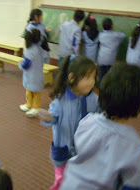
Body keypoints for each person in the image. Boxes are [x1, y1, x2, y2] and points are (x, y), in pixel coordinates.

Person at [60, 64, 140, 190]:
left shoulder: (88, 121)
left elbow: (78, 147)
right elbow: (133, 185)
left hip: (69, 184)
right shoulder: (133, 145)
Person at [38, 55, 100, 190]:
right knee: (61, 180)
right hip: (64, 149)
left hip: (84, 149)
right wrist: (49, 118)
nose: (91, 82)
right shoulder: (60, 101)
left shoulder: (94, 99)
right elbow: (54, 117)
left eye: (94, 77)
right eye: (87, 77)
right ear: (72, 78)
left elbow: (100, 116)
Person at [19, 29, 44, 117]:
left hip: (33, 75)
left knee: (35, 92)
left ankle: (36, 108)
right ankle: (29, 104)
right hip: (34, 75)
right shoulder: (38, 48)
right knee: (30, 90)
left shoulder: (30, 50)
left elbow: (26, 64)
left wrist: (20, 64)